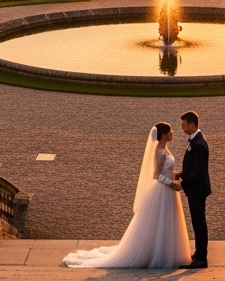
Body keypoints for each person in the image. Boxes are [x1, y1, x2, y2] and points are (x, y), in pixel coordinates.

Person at [62, 122, 190, 269]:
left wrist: (175, 176)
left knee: (166, 221)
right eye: (170, 131)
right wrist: (174, 185)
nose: (172, 133)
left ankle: (162, 251)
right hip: (163, 190)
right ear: (163, 135)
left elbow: (165, 171)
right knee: (160, 221)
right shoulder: (159, 151)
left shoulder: (165, 149)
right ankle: (157, 253)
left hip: (167, 189)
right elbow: (157, 175)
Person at [177, 111, 210, 268]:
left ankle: (202, 258)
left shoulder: (199, 144)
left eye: (184, 124)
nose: (182, 127)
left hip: (198, 190)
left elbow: (198, 171)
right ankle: (198, 253)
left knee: (199, 223)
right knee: (197, 223)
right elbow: (192, 167)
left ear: (192, 124)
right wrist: (181, 174)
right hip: (196, 189)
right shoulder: (195, 140)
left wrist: (183, 184)